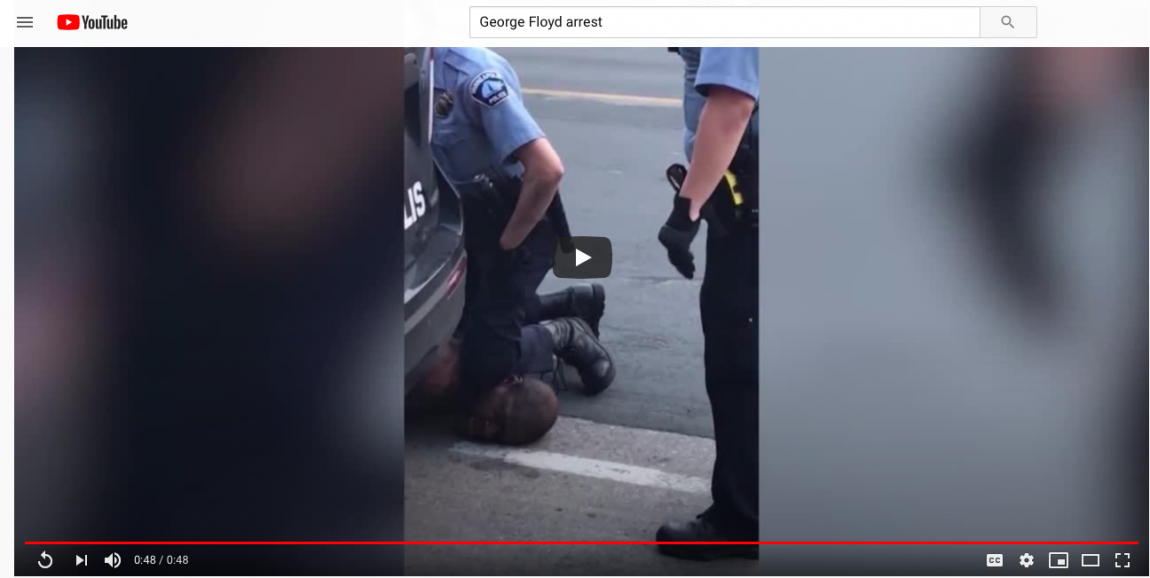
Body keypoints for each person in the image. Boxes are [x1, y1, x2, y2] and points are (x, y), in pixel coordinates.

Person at [429, 47, 616, 442]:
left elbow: (547, 170)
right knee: (457, 323)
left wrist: (507, 247)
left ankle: (565, 332)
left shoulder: (473, 76)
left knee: (478, 365)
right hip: (465, 222)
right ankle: (565, 303)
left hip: (518, 223)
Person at [655, 47, 760, 560]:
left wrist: (685, 213)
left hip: (755, 208)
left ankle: (742, 520)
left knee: (738, 361)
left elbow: (732, 104)